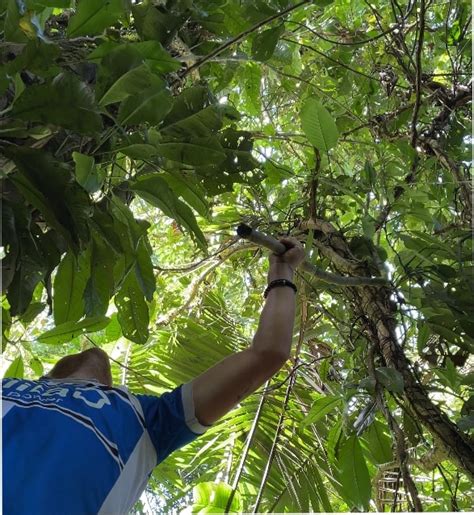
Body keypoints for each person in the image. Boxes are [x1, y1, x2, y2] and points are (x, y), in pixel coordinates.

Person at [2, 237, 305, 515]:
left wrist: (282, 272)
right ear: (45, 378)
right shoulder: (9, 386)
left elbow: (267, 353)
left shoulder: (150, 420)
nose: (98, 355)